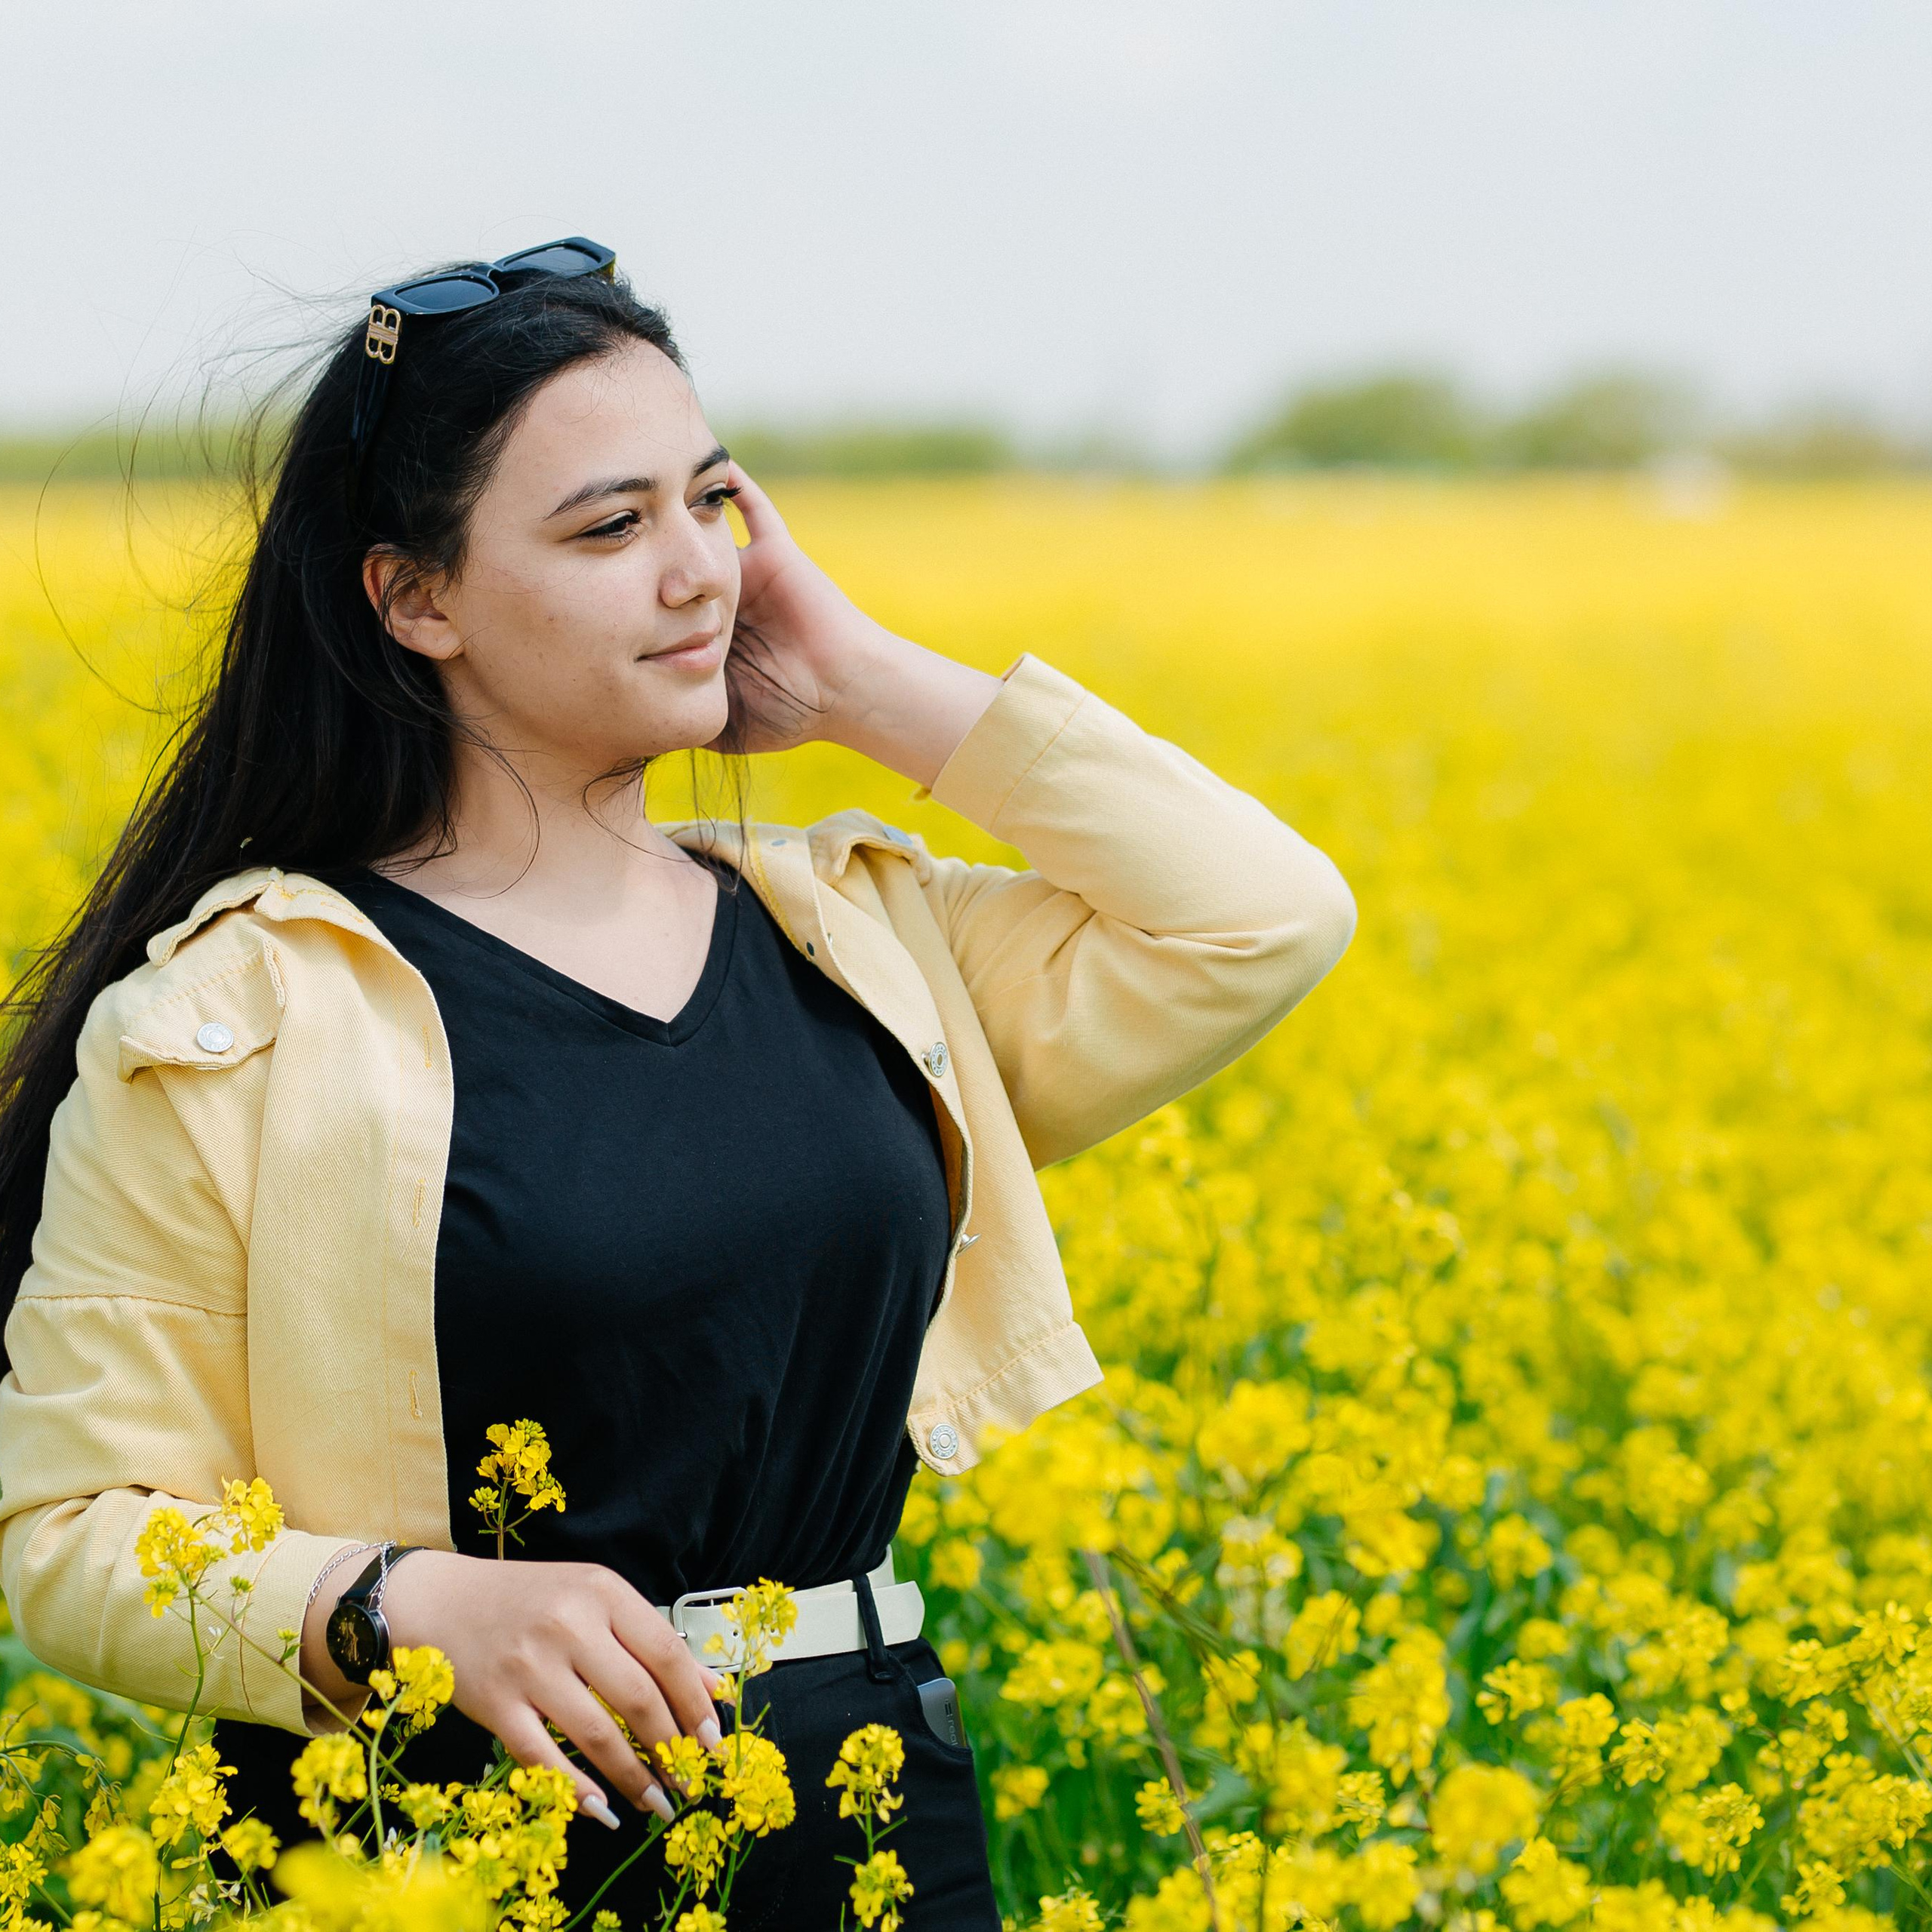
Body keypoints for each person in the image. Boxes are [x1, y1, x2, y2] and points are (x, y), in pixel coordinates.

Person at [0, 239, 1355, 1927]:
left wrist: (861, 680)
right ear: (414, 598)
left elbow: (1262, 917)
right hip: (423, 1846)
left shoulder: (852, 943)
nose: (695, 570)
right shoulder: (239, 1014)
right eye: (606, 526)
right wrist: (402, 1605)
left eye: (709, 502)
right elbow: (70, 1531)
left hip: (861, 1816)